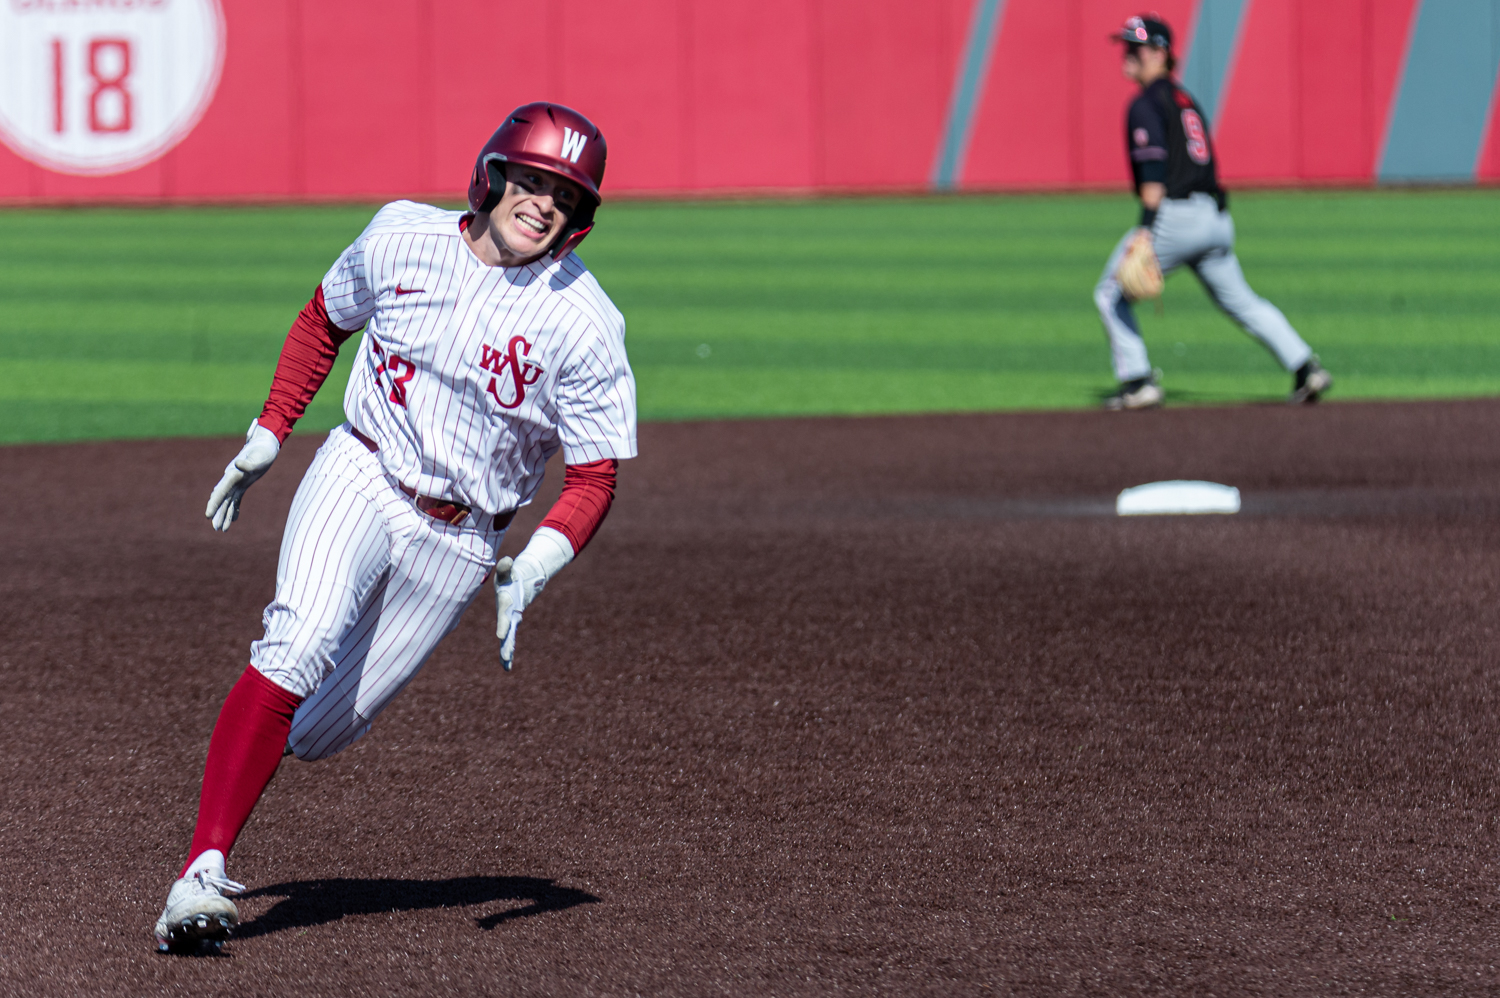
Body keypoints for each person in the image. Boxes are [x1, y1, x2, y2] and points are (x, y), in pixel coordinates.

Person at [152, 102, 635, 953]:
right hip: (363, 471)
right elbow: (322, 320)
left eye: (565, 194)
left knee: (314, 732)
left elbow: (595, 475)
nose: (543, 202)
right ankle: (201, 873)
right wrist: (270, 433)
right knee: (293, 648)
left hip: (460, 541)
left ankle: (264, 744)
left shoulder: (584, 323)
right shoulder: (400, 236)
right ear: (493, 176)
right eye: (531, 179)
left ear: (580, 217)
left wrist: (539, 558)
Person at [1096, 14, 1332, 410]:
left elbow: (1153, 182)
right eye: (1125, 47)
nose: (1127, 55)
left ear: (1159, 53)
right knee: (1242, 301)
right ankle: (1305, 366)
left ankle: (1137, 380)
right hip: (1215, 216)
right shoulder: (1184, 99)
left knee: (1109, 292)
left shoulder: (1145, 104)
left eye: (1135, 48)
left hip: (1175, 216)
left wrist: (1144, 232)